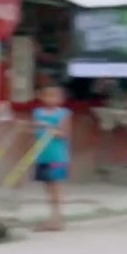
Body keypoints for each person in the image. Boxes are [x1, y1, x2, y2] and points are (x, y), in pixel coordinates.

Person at [31, 83, 72, 231]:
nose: (51, 99)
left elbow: (64, 134)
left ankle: (58, 218)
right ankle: (52, 218)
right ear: (41, 97)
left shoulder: (64, 114)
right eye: (48, 95)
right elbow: (34, 130)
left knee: (57, 187)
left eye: (55, 95)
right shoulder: (37, 113)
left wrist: (49, 127)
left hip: (58, 156)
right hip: (42, 155)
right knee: (48, 188)